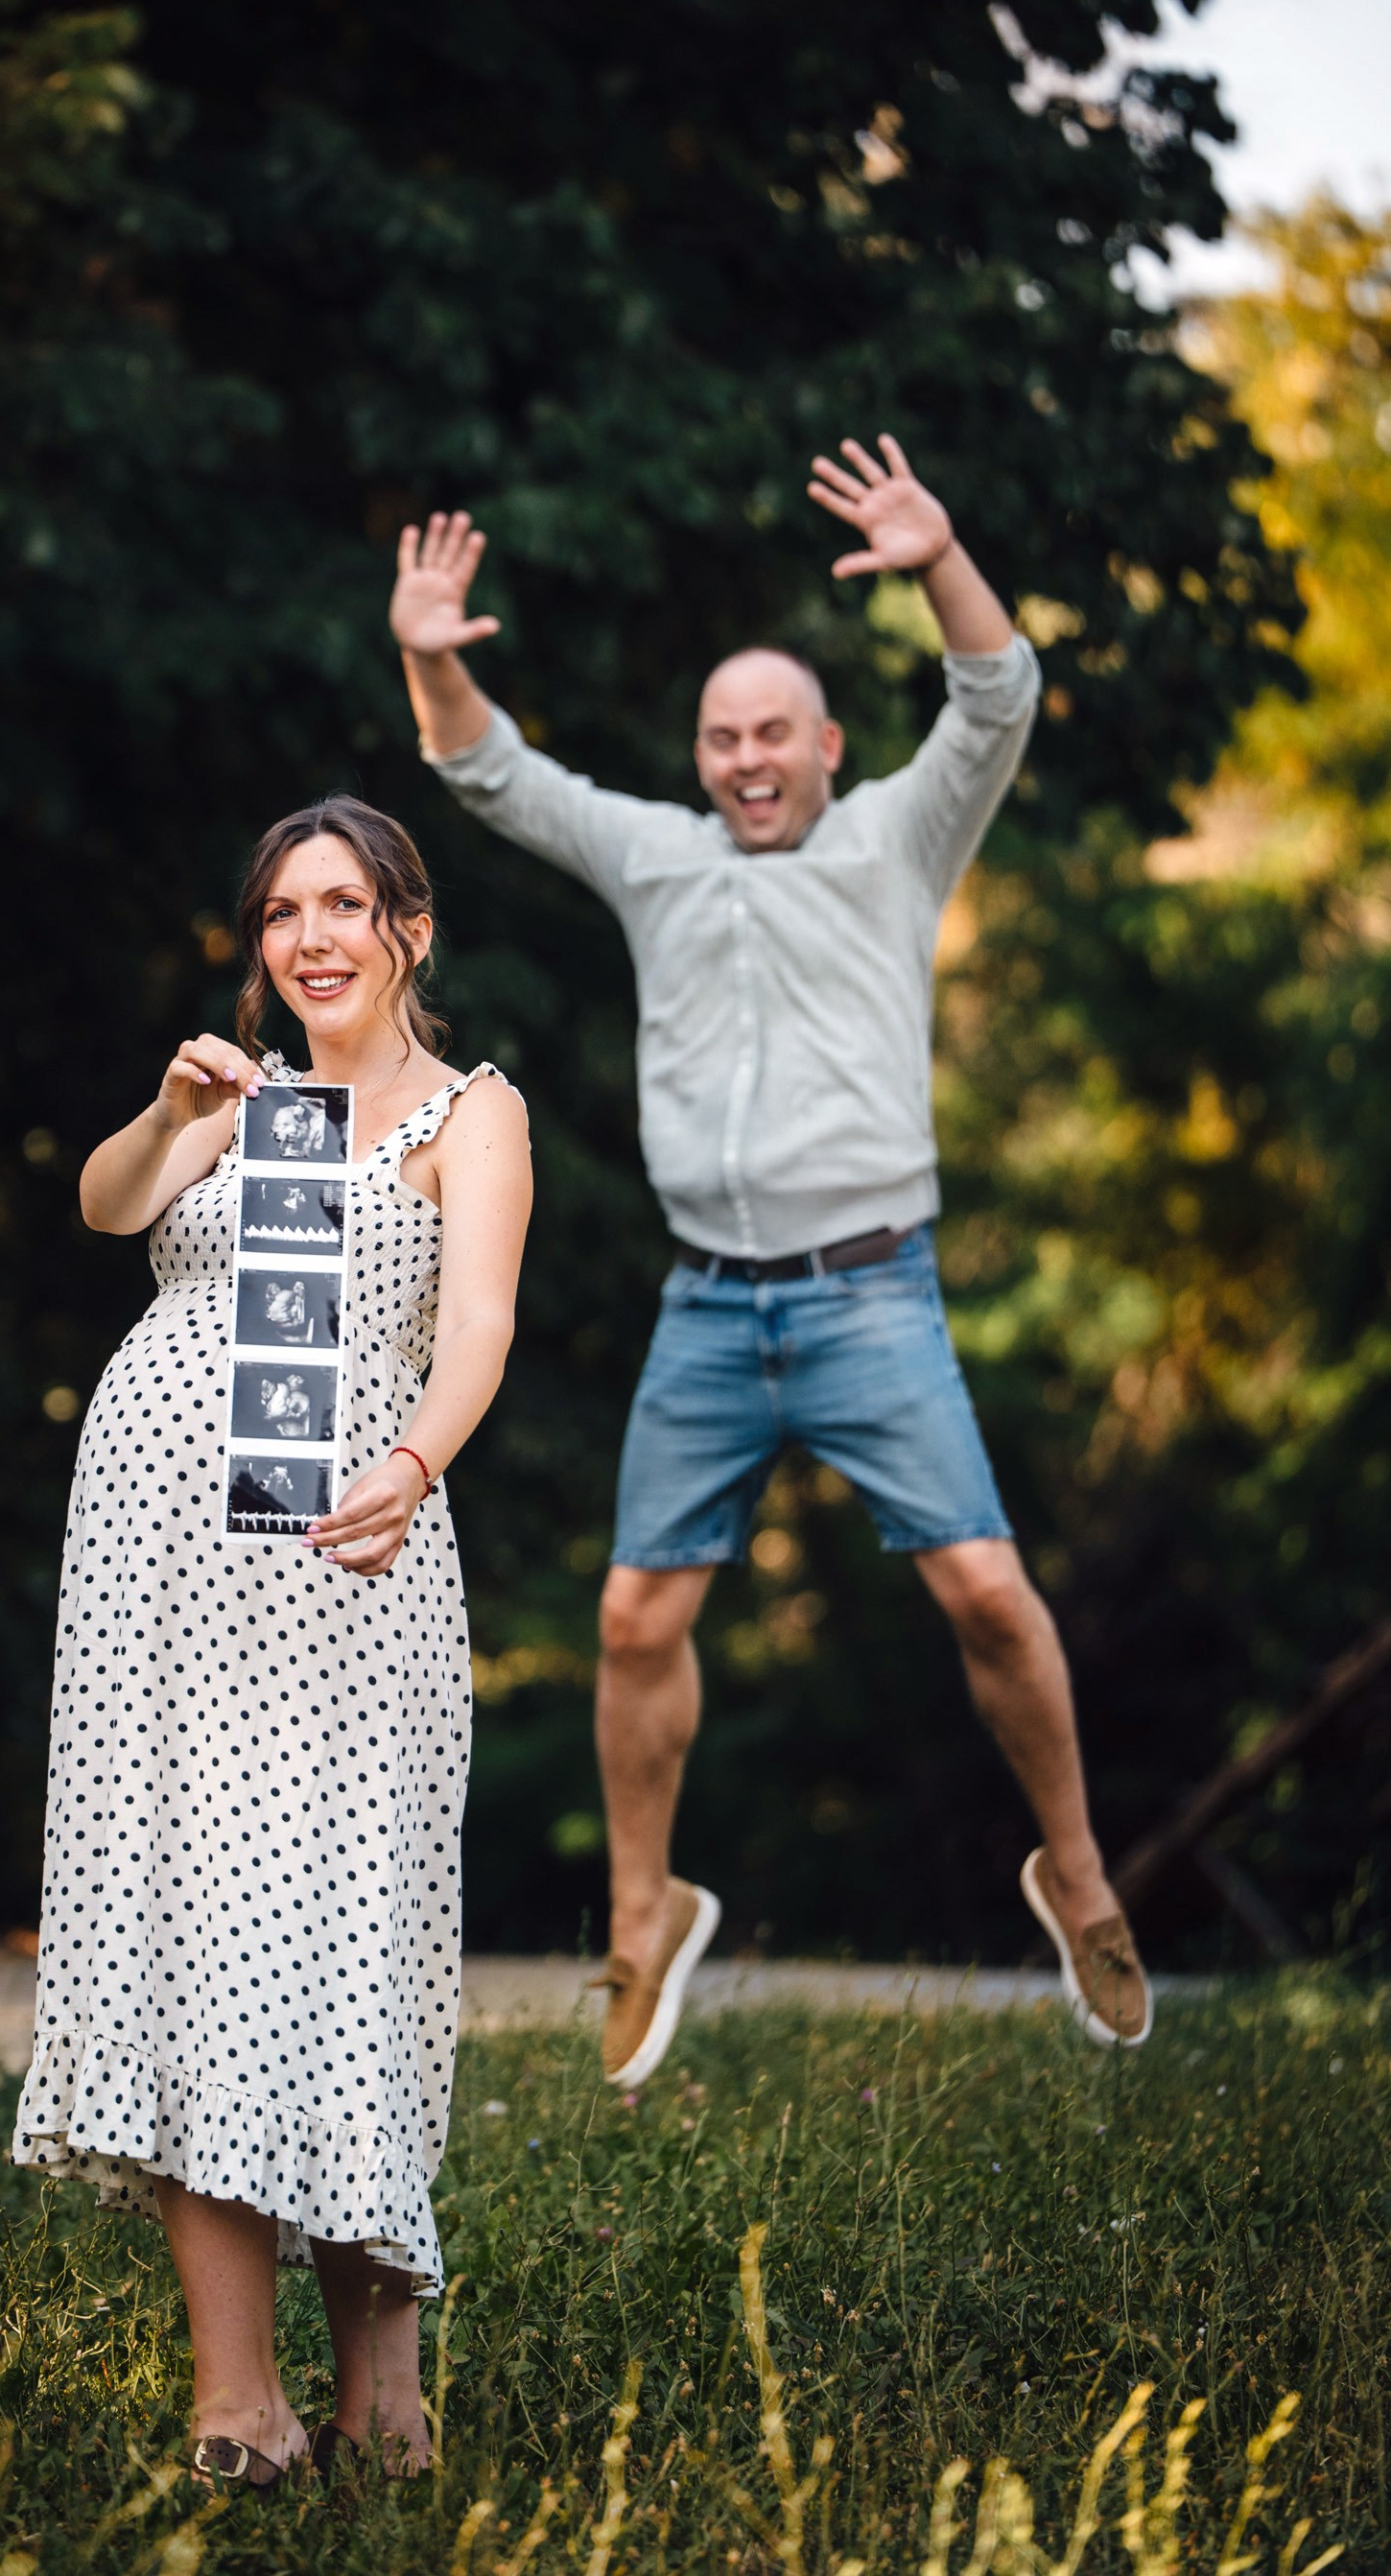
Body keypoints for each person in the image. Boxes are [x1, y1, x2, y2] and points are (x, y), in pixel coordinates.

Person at [389, 433, 1152, 2083]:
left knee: (989, 1596)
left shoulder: (897, 841)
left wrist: (940, 552)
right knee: (632, 1621)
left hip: (874, 1290)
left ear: (825, 745)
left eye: (772, 735)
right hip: (710, 1306)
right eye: (720, 738)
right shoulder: (657, 860)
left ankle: (1076, 1870)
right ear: (703, 757)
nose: (746, 760)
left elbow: (999, 695)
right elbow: (492, 776)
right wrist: (429, 659)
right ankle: (642, 1915)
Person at [12, 796, 531, 2491]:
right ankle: (236, 2399)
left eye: (346, 906)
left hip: (347, 1576)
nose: (313, 939)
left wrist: (413, 1461)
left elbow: (478, 1326)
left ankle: (382, 2370)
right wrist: (172, 1112)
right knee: (199, 1941)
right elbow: (104, 1213)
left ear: (411, 931)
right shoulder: (243, 1098)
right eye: (284, 913)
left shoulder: (472, 1114)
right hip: (164, 1570)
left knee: (349, 1946)